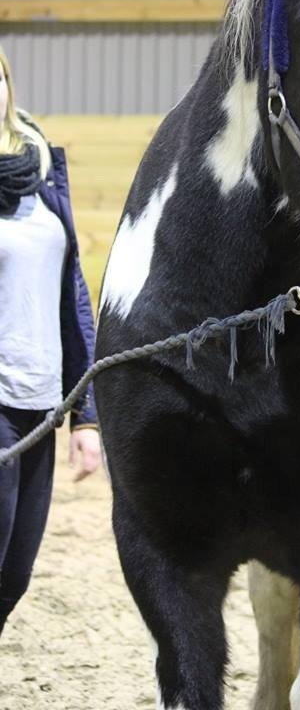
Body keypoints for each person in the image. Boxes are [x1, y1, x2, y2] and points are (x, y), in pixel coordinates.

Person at [0, 45, 101, 635]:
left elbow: (73, 298)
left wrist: (85, 416)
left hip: (42, 405)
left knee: (13, 576)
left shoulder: (41, 177)